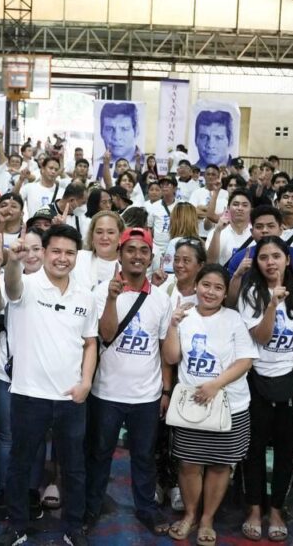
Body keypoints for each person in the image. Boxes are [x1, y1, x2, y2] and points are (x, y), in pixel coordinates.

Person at [0, 224, 97, 546]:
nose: (62, 259)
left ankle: (73, 527)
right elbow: (10, 288)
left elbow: (90, 343)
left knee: (74, 469)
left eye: (69, 253)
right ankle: (17, 525)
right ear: (44, 252)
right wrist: (12, 261)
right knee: (20, 465)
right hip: (29, 395)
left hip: (71, 399)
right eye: (56, 251)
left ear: (76, 256)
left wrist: (86, 383)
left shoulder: (86, 296)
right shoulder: (26, 285)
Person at [85, 228, 172, 536]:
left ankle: (146, 508)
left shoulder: (161, 299)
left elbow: (164, 350)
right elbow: (105, 335)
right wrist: (111, 299)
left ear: (151, 257)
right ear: (119, 255)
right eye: (131, 250)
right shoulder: (100, 293)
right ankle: (91, 506)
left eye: (143, 251)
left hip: (146, 395)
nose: (137, 256)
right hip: (106, 391)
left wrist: (165, 390)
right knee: (99, 453)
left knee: (145, 456)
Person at [162, 264, 257, 545]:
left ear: (226, 292)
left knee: (220, 466)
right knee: (189, 463)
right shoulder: (184, 314)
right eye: (206, 285)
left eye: (218, 287)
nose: (211, 292)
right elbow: (170, 357)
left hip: (229, 405)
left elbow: (245, 360)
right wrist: (173, 325)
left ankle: (207, 519)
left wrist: (216, 384)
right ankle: (190, 514)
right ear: (196, 286)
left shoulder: (234, 319)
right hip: (191, 405)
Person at [237, 236, 293, 541]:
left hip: (291, 383)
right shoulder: (251, 294)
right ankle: (255, 509)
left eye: (276, 256)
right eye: (263, 257)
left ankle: (276, 510)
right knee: (253, 449)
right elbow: (260, 336)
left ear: (287, 259)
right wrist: (272, 304)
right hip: (256, 381)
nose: (270, 262)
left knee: (287, 452)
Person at [0, 228, 46, 521]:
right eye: (27, 248)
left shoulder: (57, 283)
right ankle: (3, 492)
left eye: (38, 249)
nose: (32, 254)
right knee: (8, 436)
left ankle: (31, 492)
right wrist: (4, 265)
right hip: (7, 373)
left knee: (36, 438)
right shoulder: (9, 277)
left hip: (42, 376)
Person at [71, 211, 123, 291]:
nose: (104, 237)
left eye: (110, 232)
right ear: (92, 236)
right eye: (99, 232)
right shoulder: (77, 258)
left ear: (120, 237)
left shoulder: (127, 267)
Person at [95, 103, 141, 177]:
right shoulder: (96, 163)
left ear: (136, 131)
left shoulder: (144, 162)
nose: (116, 137)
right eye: (109, 129)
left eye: (124, 129)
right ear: (101, 132)